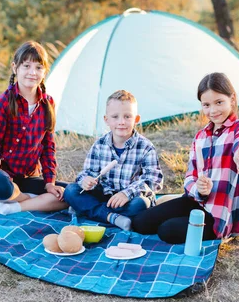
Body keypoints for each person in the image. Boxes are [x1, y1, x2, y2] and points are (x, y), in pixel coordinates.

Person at [132, 72, 239, 243]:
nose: (213, 110)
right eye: (206, 105)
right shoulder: (201, 136)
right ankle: (175, 202)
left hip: (221, 213)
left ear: (232, 99)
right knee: (140, 222)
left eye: (219, 102)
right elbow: (191, 175)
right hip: (198, 202)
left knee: (167, 231)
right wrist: (199, 189)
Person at [0, 41, 68, 215]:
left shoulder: (48, 103)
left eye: (39, 67)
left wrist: (49, 183)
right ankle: (29, 199)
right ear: (15, 68)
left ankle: (16, 204)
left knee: (70, 194)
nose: (33, 72)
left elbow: (48, 148)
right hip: (1, 174)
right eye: (26, 66)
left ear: (45, 72)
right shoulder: (2, 103)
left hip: (27, 176)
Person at [62, 90, 163, 231]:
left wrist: (127, 193)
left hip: (129, 199)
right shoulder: (99, 145)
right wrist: (86, 180)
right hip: (104, 195)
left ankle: (90, 210)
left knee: (140, 204)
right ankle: (111, 217)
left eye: (127, 116)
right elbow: (86, 173)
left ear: (136, 119)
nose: (121, 122)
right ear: (106, 120)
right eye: (115, 117)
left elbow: (153, 180)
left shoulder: (145, 147)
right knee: (71, 191)